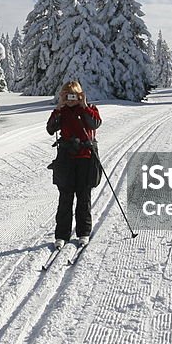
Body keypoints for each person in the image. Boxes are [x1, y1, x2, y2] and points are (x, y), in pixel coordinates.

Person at [46, 80, 102, 248]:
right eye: (67, 95)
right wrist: (58, 107)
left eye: (73, 96)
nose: (70, 100)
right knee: (65, 198)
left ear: (80, 95)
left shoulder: (89, 108)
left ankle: (83, 232)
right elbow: (50, 129)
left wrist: (84, 105)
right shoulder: (61, 112)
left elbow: (95, 123)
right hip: (66, 159)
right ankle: (61, 234)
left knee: (83, 197)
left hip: (85, 158)